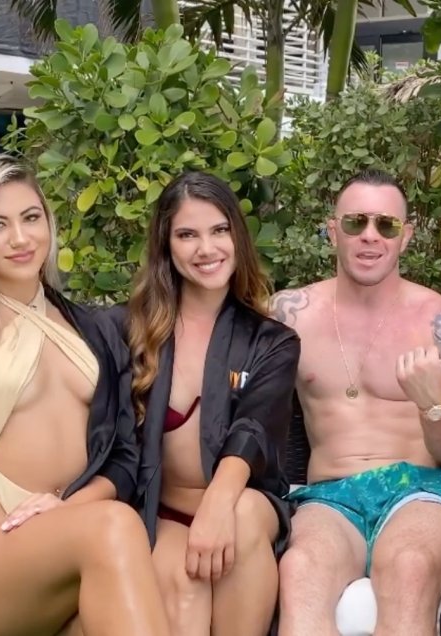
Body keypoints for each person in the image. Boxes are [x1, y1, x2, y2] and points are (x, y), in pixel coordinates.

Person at [0, 155, 169, 636]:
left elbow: (124, 456)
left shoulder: (97, 329)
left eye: (31, 217)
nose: (20, 239)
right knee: (115, 526)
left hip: (67, 548)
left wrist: (68, 509)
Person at [272, 169, 441, 636]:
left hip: (418, 489)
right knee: (300, 568)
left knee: (410, 566)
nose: (370, 236)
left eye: (386, 225)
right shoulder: (289, 316)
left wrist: (434, 404)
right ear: (333, 230)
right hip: (329, 496)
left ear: (406, 237)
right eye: (355, 222)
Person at [110, 171, 300, 636]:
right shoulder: (127, 330)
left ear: (238, 236)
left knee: (243, 517)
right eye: (187, 235)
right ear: (166, 245)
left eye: (219, 230)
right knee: (186, 596)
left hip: (242, 504)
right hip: (160, 511)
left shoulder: (272, 341)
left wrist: (217, 504)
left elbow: (254, 427)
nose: (206, 248)